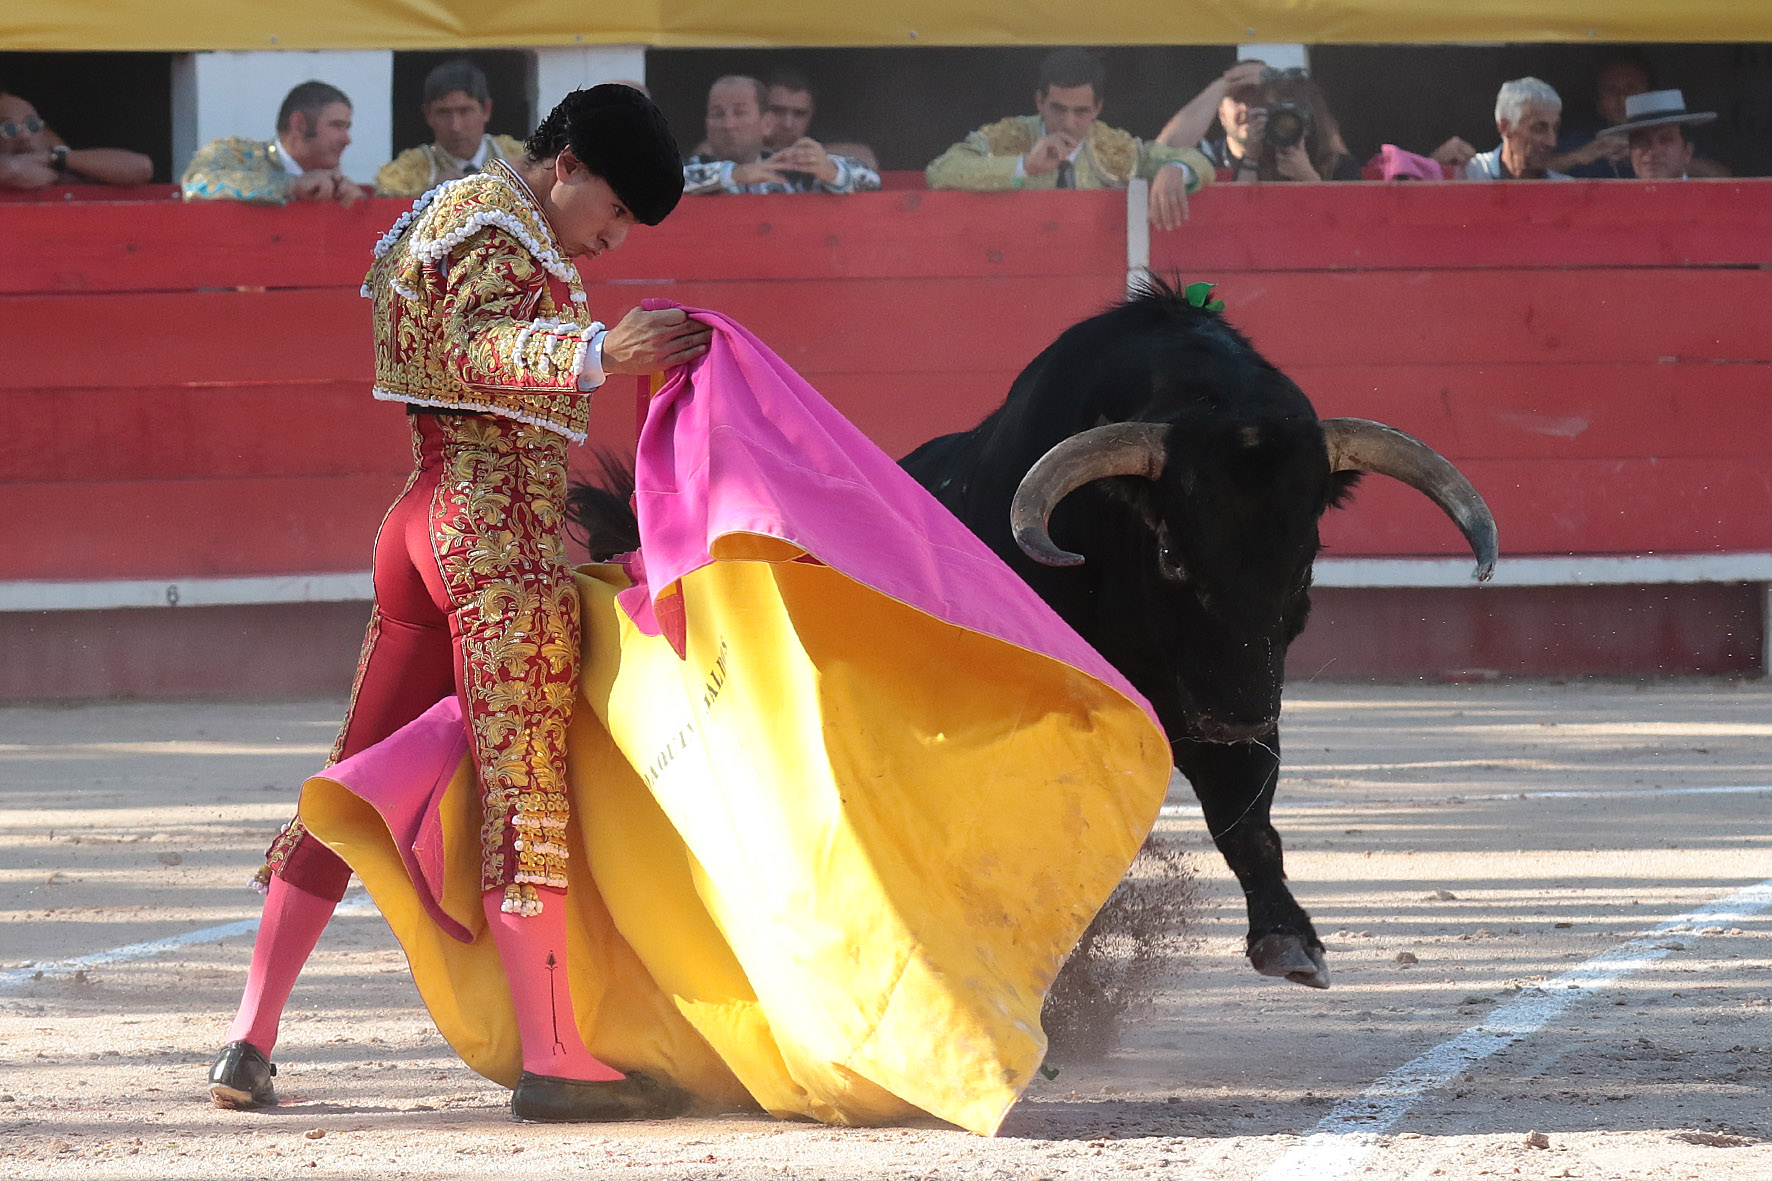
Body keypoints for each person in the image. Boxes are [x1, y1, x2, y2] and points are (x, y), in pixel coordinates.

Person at [206, 84, 710, 1123]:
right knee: (526, 787)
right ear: (568, 164)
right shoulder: (493, 224)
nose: (613, 237)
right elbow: (467, 345)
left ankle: (248, 1038)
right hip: (488, 537)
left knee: (349, 775)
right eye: (614, 209)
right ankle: (555, 1057)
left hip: (422, 522)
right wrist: (595, 353)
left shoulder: (466, 211)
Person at [926, 48, 1211, 231]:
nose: (1068, 122)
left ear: (1097, 109)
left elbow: (1196, 160)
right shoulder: (1009, 138)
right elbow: (940, 170)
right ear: (1040, 101)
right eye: (1058, 109)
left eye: (1081, 111)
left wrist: (1174, 168)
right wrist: (1024, 166)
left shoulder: (1113, 147)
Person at [682, 74, 880, 194]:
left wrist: (830, 171)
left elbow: (872, 182)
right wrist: (734, 174)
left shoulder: (795, 171)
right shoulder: (693, 169)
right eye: (717, 114)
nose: (728, 125)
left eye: (740, 113)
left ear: (767, 124)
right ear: (707, 125)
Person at [182, 80, 365, 205]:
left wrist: (360, 204)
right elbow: (196, 184)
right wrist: (289, 186)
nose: (347, 140)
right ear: (299, 125)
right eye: (336, 126)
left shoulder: (336, 184)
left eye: (347, 128)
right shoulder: (233, 154)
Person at [374, 59, 527, 197]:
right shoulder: (407, 170)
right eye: (443, 112)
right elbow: (383, 203)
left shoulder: (519, 157)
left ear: (486, 110)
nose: (455, 126)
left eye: (465, 111)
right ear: (428, 115)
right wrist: (428, 194)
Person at [0, 88, 152, 190]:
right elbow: (12, 171)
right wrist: (59, 176)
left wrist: (56, 158)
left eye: (32, 125)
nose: (25, 136)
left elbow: (142, 167)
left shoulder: (56, 157)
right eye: (9, 129)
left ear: (46, 133)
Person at [1549, 52, 1653, 178]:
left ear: (1650, 96)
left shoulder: (1668, 140)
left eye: (1631, 88)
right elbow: (1532, 170)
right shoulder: (1577, 145)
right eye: (1612, 90)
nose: (1621, 97)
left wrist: (1639, 152)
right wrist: (1577, 157)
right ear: (1599, 105)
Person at [1156, 59, 1267, 173]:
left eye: (1258, 99)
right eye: (1238, 99)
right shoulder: (1206, 159)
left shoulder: (1279, 158)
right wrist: (1223, 84)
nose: (1247, 109)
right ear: (1221, 113)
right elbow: (1160, 158)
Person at [762, 69, 878, 169]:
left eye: (799, 114)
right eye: (777, 111)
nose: (788, 124)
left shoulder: (817, 137)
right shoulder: (750, 141)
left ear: (812, 114)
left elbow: (868, 159)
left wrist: (805, 154)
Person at [1462, 78, 1571, 181]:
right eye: (1539, 129)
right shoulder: (1466, 174)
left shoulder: (1568, 189)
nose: (1551, 142)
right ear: (1504, 127)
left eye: (1556, 129)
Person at [1601, 89, 1719, 181]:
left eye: (1666, 140)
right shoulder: (1616, 202)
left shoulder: (1707, 200)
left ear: (1687, 152)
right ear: (1631, 151)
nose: (1653, 151)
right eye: (1642, 141)